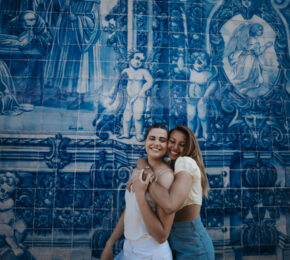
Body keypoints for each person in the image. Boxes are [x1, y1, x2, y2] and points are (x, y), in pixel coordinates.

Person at [133, 125, 215, 259]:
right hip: (176, 244)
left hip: (194, 246)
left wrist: (147, 182)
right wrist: (147, 168)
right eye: (172, 141)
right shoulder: (172, 163)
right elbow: (142, 160)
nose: (175, 148)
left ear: (189, 147)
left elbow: (170, 205)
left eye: (182, 144)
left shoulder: (185, 161)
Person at [101, 124, 175, 260]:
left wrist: (141, 195)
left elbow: (161, 236)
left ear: (167, 146)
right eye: (152, 138)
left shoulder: (166, 177)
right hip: (129, 249)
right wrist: (110, 243)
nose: (156, 143)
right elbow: (130, 210)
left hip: (150, 253)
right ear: (145, 141)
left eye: (162, 140)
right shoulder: (141, 167)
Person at [118, 50, 153, 141]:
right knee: (126, 116)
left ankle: (139, 134)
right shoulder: (125, 71)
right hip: (128, 97)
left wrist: (143, 90)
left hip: (139, 97)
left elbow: (150, 81)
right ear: (130, 59)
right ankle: (126, 133)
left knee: (138, 116)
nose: (139, 62)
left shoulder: (143, 71)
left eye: (141, 60)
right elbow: (120, 83)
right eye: (137, 59)